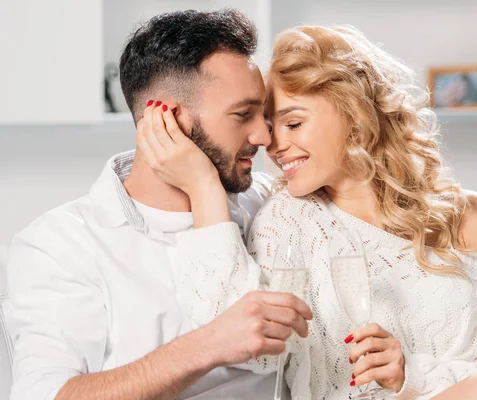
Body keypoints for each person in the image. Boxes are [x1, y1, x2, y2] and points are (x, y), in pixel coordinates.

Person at [140, 25, 477, 399]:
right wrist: (204, 189)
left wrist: (410, 374)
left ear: (354, 112)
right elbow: (244, 348)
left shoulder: (467, 216)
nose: (273, 145)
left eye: (294, 123)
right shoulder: (286, 221)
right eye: (268, 125)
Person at [5, 10, 313, 400]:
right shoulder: (61, 245)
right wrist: (208, 344)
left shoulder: (272, 203)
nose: (264, 135)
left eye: (263, 113)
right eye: (242, 114)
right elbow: (44, 394)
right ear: (165, 118)